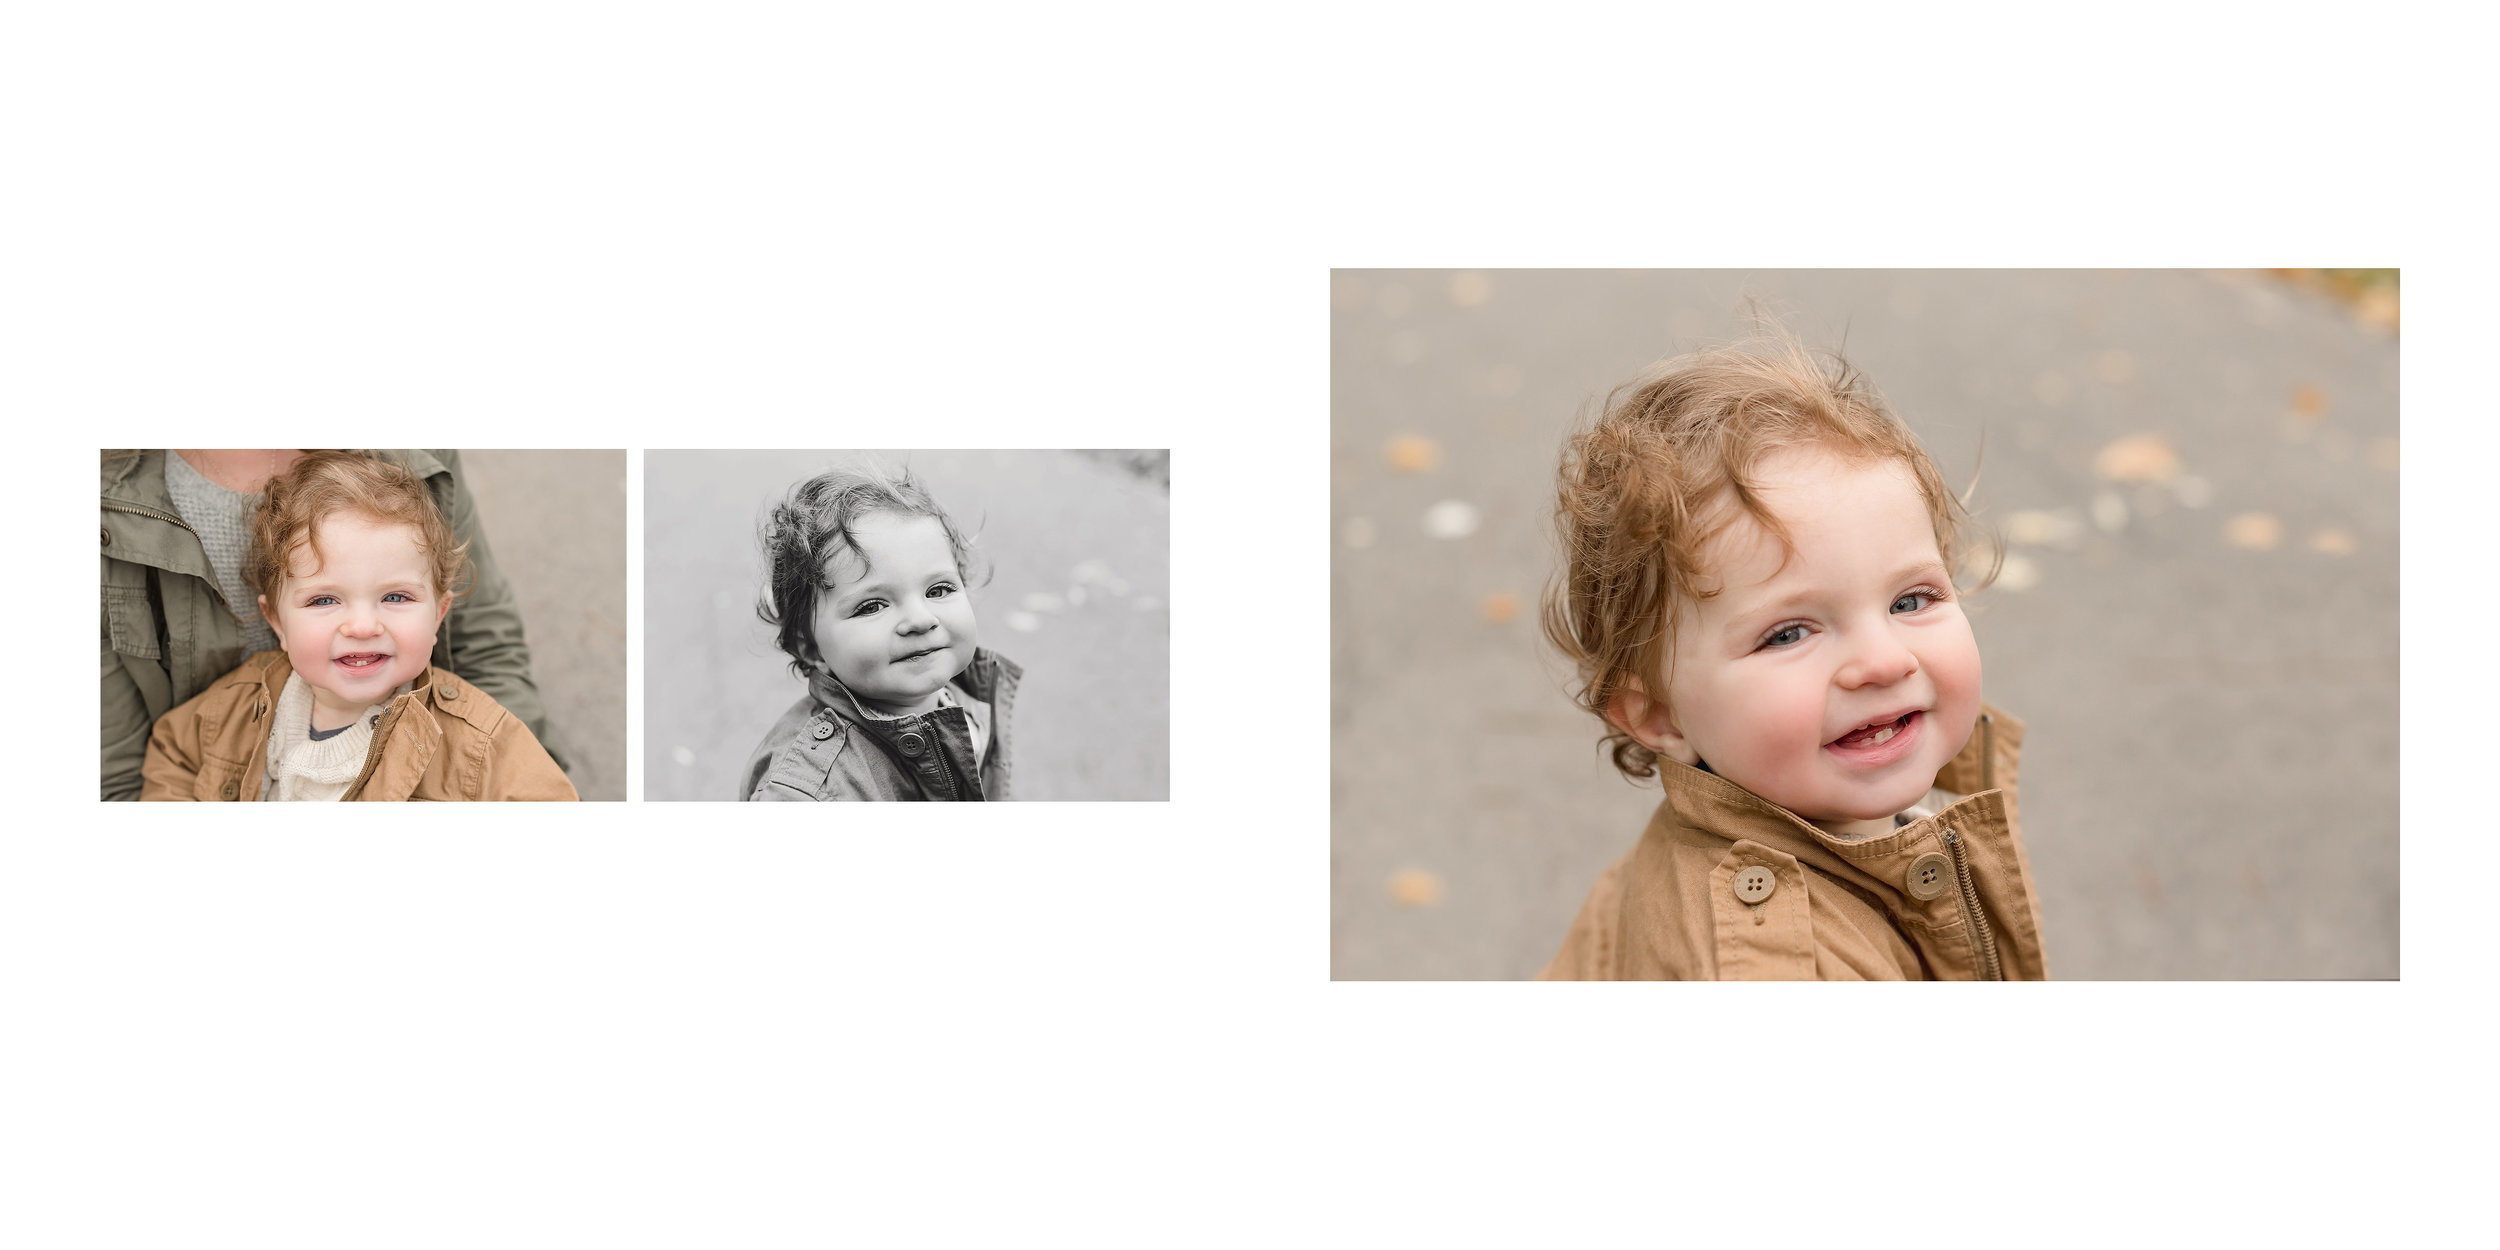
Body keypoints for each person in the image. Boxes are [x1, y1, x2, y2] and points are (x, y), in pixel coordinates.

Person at [1538, 328, 2047, 979]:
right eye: (1789, 634)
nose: (1884, 661)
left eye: (1912, 600)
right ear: (1659, 718)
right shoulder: (1777, 963)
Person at [101, 449, 558, 799]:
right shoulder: (232, 710)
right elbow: (172, 758)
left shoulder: (485, 744)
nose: (362, 626)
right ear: (275, 622)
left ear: (439, 613)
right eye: (324, 600)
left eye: (395, 597)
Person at [742, 463, 1020, 801]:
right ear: (812, 649)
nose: (920, 619)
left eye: (939, 590)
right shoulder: (806, 792)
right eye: (872, 606)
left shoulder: (966, 692)